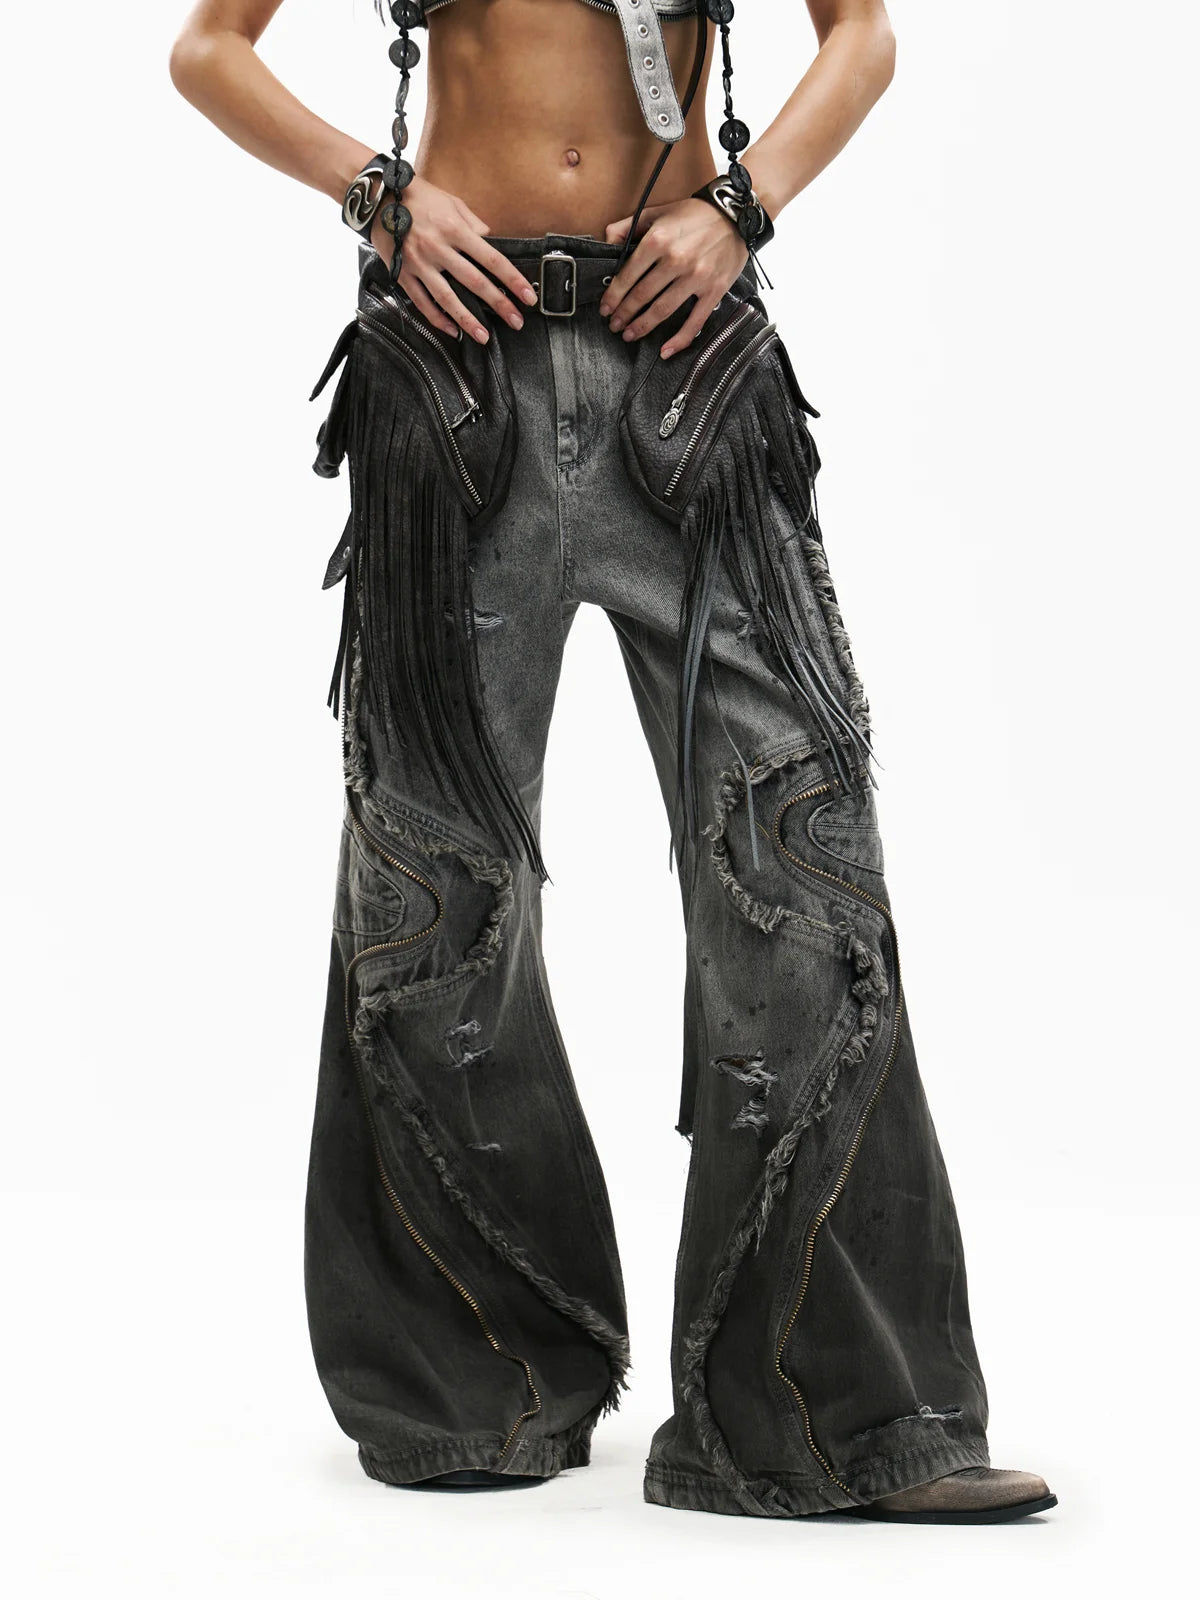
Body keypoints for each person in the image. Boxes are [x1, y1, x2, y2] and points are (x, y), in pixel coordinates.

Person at [169, 0, 1057, 1524]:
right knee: (436, 889)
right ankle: (478, 1385)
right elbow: (208, 49)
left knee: (799, 859)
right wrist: (376, 194)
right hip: (457, 383)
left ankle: (819, 1418)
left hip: (686, 376)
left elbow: (860, 33)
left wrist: (743, 206)